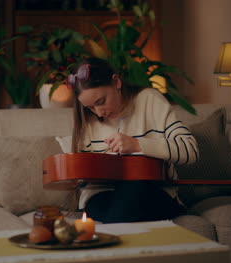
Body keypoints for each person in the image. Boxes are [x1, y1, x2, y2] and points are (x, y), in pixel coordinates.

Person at [68, 57, 199, 223]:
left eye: (101, 102)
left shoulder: (149, 100)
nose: (99, 113)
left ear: (116, 83)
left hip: (150, 191)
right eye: (90, 107)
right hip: (102, 196)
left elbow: (191, 150)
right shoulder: (86, 120)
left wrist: (137, 145)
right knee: (112, 207)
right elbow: (84, 182)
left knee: (133, 192)